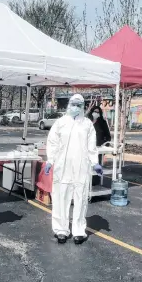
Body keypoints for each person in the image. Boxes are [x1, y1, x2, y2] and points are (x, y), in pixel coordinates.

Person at [45, 94, 103, 245]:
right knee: (60, 197)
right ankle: (61, 230)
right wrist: (50, 160)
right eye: (73, 104)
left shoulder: (87, 124)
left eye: (79, 105)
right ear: (68, 104)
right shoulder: (60, 123)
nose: (75, 107)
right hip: (62, 167)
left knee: (80, 198)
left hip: (81, 167)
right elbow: (52, 143)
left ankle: (79, 230)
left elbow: (91, 145)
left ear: (83, 106)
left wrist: (94, 162)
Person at [87, 105, 111, 185]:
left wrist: (102, 146)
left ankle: (95, 184)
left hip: (98, 149)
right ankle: (87, 184)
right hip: (86, 149)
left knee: (96, 167)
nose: (96, 113)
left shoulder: (102, 123)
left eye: (98, 112)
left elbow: (108, 137)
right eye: (95, 111)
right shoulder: (87, 122)